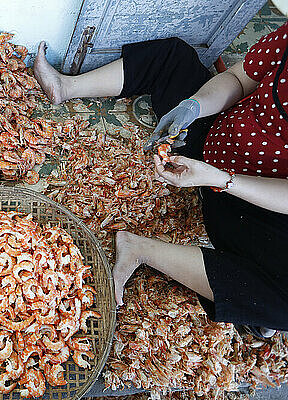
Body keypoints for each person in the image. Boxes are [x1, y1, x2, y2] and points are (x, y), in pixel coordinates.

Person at [33, 18, 288, 337]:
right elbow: (238, 78)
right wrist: (194, 107)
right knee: (174, 57)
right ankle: (66, 87)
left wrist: (222, 179)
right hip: (216, 137)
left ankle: (139, 249)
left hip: (253, 202)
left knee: (283, 297)